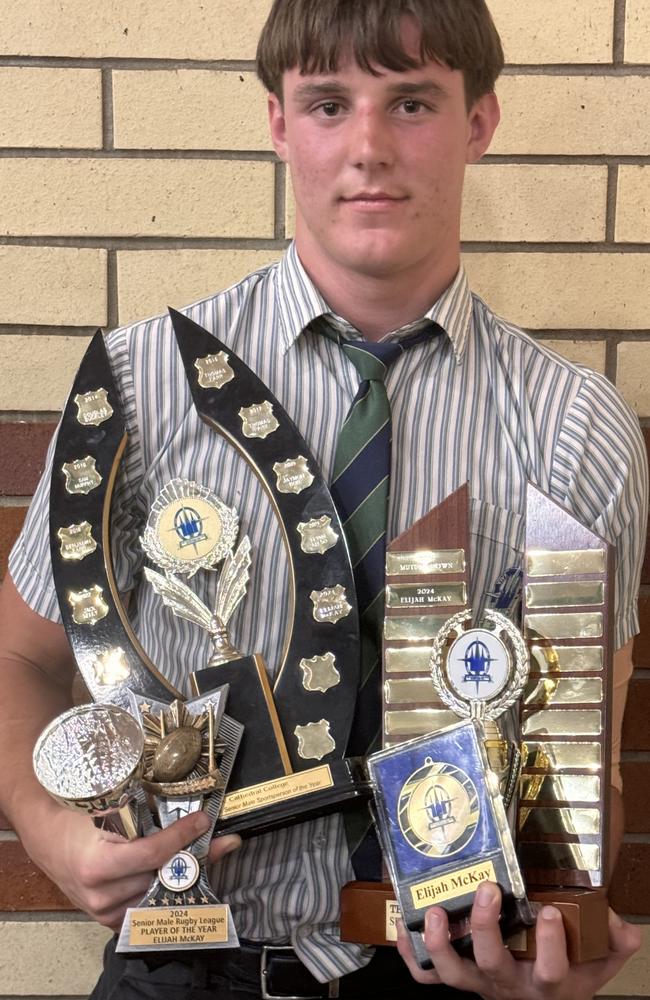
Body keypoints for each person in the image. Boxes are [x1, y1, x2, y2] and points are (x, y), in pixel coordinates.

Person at [0, 1, 646, 998]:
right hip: (187, 962)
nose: (368, 149)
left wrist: (557, 945)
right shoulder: (138, 386)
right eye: (329, 103)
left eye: (413, 103)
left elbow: (577, 746)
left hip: (451, 972)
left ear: (478, 121)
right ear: (276, 122)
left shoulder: (576, 425)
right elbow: (21, 654)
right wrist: (50, 832)